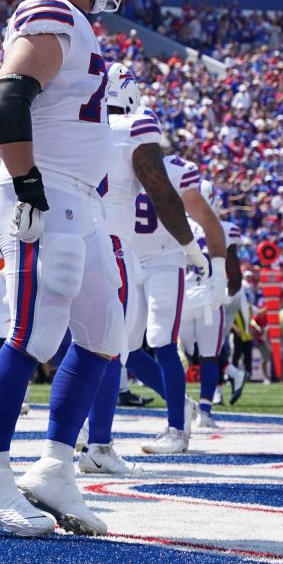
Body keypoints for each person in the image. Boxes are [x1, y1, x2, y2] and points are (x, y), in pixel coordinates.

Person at [0, 0, 127, 538]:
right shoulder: (53, 13)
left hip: (77, 199)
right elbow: (9, 98)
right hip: (46, 192)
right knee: (31, 334)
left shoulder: (74, 22)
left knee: (105, 333)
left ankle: (55, 469)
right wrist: (29, 183)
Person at [77, 62, 208, 475]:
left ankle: (78, 434)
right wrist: (192, 247)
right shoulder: (135, 126)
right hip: (117, 249)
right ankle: (97, 442)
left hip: (75, 241)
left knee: (81, 344)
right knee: (111, 346)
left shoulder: (73, 123)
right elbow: (161, 192)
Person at [122, 149, 225, 455]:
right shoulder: (113, 160)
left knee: (160, 338)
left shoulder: (176, 170)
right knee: (123, 347)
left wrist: (218, 272)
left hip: (166, 259)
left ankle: (176, 430)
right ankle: (180, 403)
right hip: (130, 258)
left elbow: (209, 220)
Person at [178, 180, 239, 428]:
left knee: (176, 356)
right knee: (209, 357)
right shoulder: (224, 227)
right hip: (208, 300)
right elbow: (234, 274)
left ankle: (178, 407)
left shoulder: (176, 222)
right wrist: (227, 295)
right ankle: (204, 412)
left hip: (182, 297)